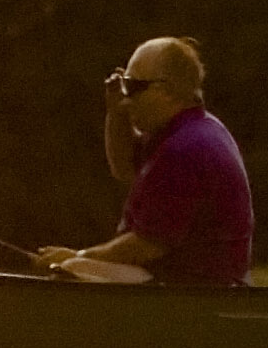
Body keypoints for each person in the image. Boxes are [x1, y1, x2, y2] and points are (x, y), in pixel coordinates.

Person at [31, 35, 255, 286]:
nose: (127, 99)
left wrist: (79, 255)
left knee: (72, 269)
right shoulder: (181, 130)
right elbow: (123, 167)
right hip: (193, 279)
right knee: (78, 268)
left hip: (198, 286)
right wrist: (116, 113)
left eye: (133, 87)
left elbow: (149, 245)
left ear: (165, 91)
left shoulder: (185, 149)